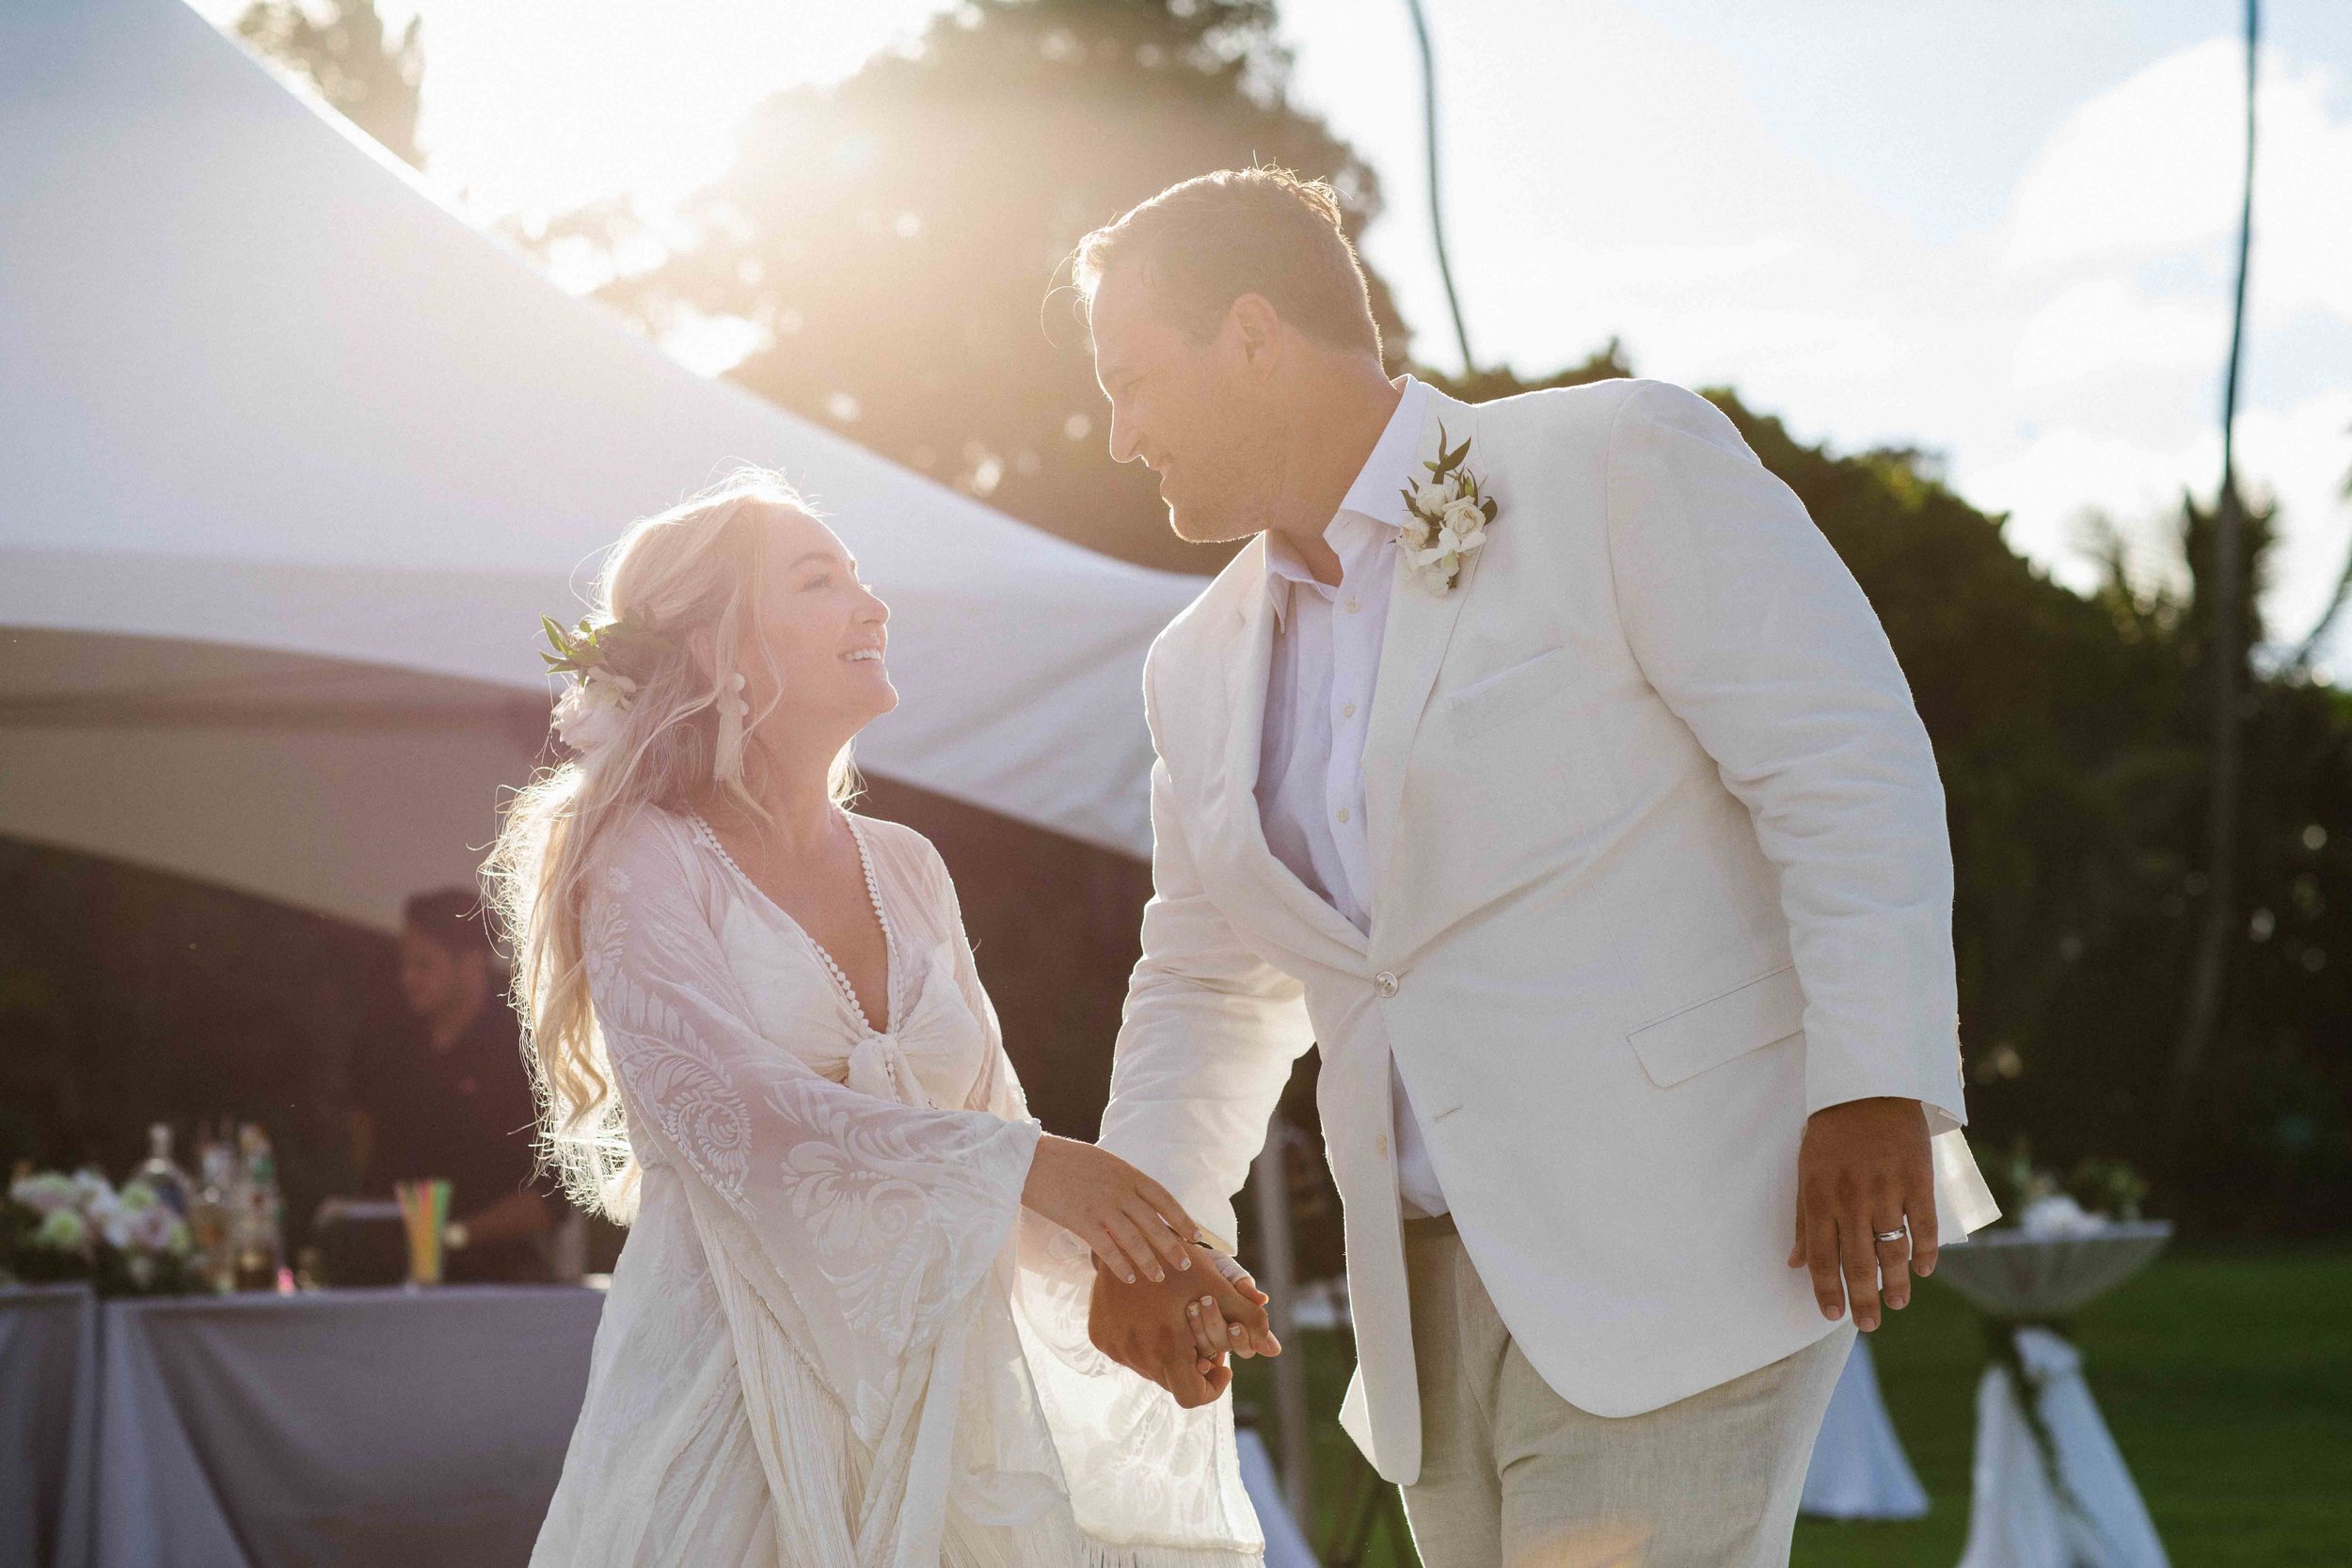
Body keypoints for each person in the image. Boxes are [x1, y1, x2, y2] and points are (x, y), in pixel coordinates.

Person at [1071, 168, 2003, 1568]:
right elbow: (1207, 978)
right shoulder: (1191, 663)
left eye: (1132, 382)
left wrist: (1876, 1080)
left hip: (1688, 1231)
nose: (1119, 435)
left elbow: (1841, 766)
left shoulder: (1617, 458)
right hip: (1422, 1301)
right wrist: (1151, 1237)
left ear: (1254, 336)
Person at [486, 472, 1278, 1566]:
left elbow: (996, 1125)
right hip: (732, 1414)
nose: (874, 606)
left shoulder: (908, 867)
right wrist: (1029, 1163)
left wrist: (1155, 1262)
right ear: (716, 649)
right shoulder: (639, 856)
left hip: (938, 1405)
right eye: (820, 581)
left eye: (860, 577)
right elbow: (740, 1117)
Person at [350, 888, 550, 1282]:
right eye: (403, 964)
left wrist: (453, 1237)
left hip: (498, 1280)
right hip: (390, 1273)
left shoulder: (523, 1049)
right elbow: (364, 1147)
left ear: (473, 964)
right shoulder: (388, 1040)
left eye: (423, 964)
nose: (407, 978)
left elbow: (550, 1199)